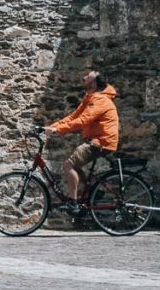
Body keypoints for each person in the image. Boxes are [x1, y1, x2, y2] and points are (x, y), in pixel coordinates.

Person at [44, 70, 119, 213]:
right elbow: (73, 117)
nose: (84, 77)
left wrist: (57, 130)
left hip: (101, 141)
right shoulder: (91, 97)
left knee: (68, 164)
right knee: (76, 166)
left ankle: (73, 203)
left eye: (88, 76)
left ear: (94, 82)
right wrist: (52, 127)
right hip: (97, 140)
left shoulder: (100, 100)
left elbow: (83, 121)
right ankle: (91, 192)